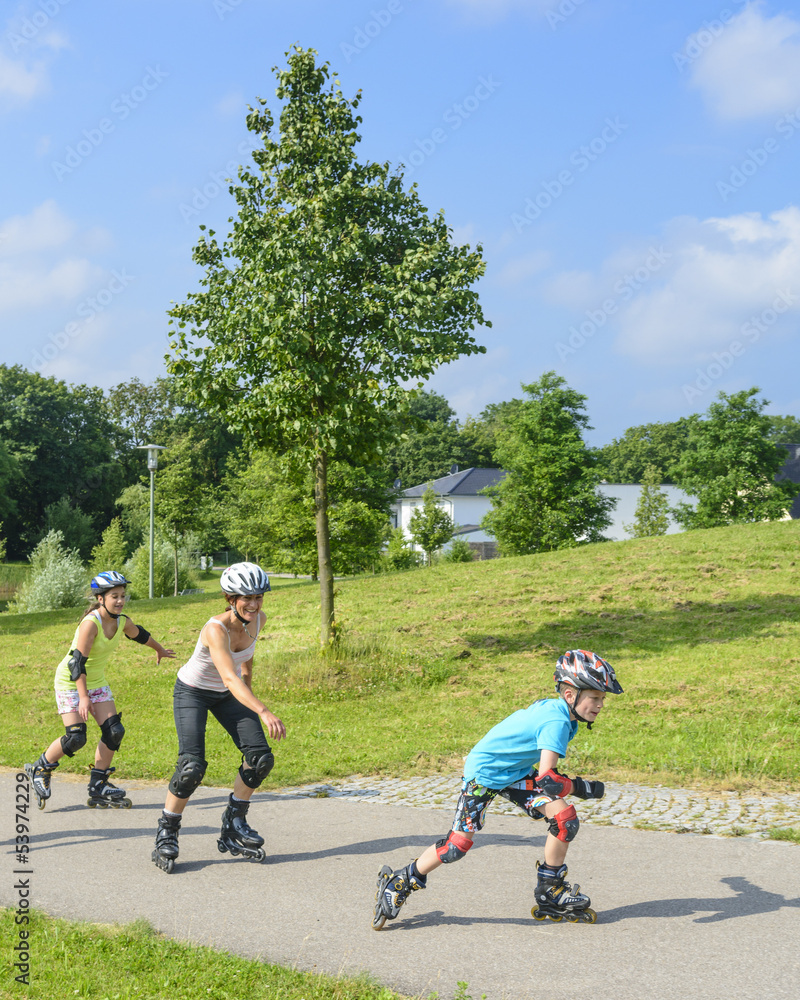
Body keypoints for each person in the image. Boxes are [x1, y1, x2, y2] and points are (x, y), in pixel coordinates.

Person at [372, 649, 623, 929]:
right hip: (484, 774)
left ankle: (550, 890)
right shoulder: (557, 721)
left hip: (513, 773)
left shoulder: (565, 715)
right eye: (595, 697)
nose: (600, 704)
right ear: (570, 695)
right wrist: (584, 787)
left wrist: (575, 788)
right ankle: (399, 882)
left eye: (602, 698)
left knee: (565, 820)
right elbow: (549, 779)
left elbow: (543, 778)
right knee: (457, 846)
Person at [151, 561, 286, 874]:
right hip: (193, 692)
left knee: (260, 758)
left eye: (259, 597)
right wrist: (262, 710)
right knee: (191, 767)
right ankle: (167, 830)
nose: (254, 604)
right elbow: (228, 677)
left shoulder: (258, 620)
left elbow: (246, 662)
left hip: (229, 695)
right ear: (231, 599)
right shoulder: (216, 629)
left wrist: (250, 703)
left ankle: (234, 822)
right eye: (246, 598)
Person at [24, 571, 175, 810]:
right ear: (101, 598)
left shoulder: (122, 621)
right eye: (114, 596)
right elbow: (77, 664)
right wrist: (83, 697)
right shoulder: (90, 624)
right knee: (76, 737)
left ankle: (99, 785)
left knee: (114, 731)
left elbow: (141, 635)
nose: (120, 600)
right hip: (70, 681)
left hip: (96, 681)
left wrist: (159, 649)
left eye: (123, 595)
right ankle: (40, 767)